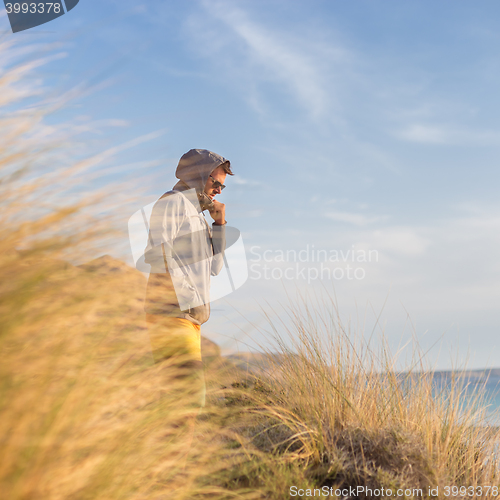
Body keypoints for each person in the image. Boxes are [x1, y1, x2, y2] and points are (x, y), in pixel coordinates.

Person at [143, 149, 233, 409]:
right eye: (214, 182)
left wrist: (219, 225)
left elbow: (214, 268)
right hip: (172, 314)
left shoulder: (200, 218)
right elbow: (158, 254)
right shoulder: (172, 202)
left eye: (221, 187)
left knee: (183, 399)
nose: (217, 190)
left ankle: (161, 448)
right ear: (196, 175)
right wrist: (185, 297)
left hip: (191, 319)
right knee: (187, 398)